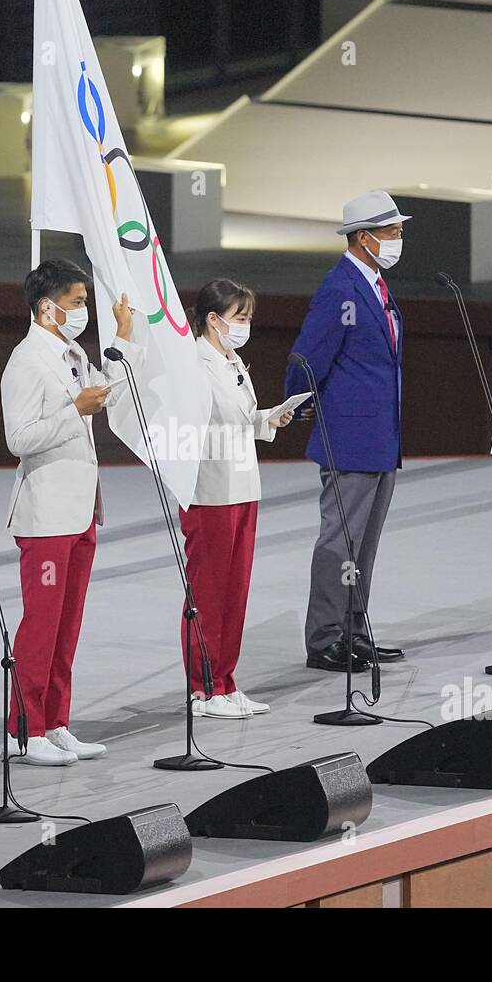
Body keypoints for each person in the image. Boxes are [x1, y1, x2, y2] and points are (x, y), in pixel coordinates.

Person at [0, 258, 143, 765]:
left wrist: (123, 339)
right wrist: (72, 412)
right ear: (47, 307)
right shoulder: (25, 361)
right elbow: (18, 439)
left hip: (81, 508)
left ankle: (57, 722)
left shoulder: (73, 352)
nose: (84, 311)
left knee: (67, 623)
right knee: (40, 625)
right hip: (45, 515)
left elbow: (103, 393)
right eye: (78, 303)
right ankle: (27, 728)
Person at [285, 191, 409, 674]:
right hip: (350, 436)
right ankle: (325, 638)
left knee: (365, 542)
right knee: (340, 542)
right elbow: (306, 356)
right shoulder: (341, 288)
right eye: (392, 231)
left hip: (382, 435)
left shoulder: (375, 284)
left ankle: (355, 630)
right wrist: (297, 405)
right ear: (364, 237)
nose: (400, 239)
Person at [181, 279, 295, 718]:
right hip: (210, 489)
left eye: (248, 318)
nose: (246, 326)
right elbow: (199, 421)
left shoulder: (233, 361)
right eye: (239, 318)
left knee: (235, 592)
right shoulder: (193, 362)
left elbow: (242, 417)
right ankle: (203, 689)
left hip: (244, 486)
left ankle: (226, 682)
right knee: (209, 592)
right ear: (213, 319)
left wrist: (270, 418)